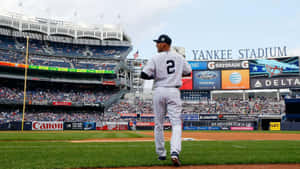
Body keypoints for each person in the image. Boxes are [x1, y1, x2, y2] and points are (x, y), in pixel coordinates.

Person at [140, 34, 192, 166]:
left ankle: (161, 154)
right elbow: (188, 72)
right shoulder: (179, 57)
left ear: (165, 44)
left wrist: (157, 75)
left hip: (159, 90)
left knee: (158, 124)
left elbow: (144, 74)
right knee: (176, 124)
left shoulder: (155, 58)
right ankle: (174, 152)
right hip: (173, 90)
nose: (157, 45)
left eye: (158, 43)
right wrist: (175, 74)